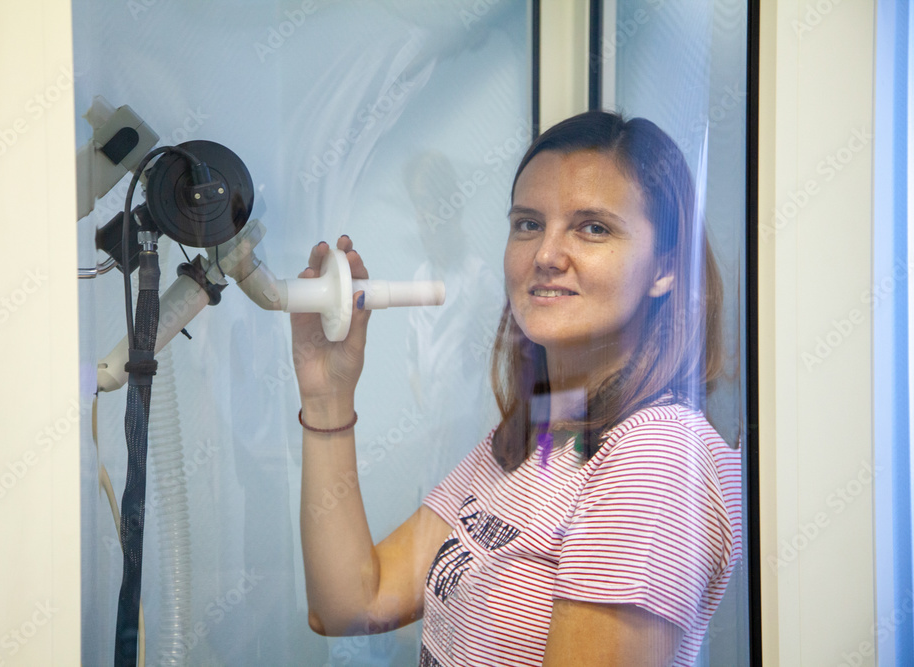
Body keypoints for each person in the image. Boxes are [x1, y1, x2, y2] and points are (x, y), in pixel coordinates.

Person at [290, 110, 742, 667]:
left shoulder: (656, 458)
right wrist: (326, 396)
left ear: (664, 270)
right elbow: (351, 603)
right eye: (528, 224)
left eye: (592, 227)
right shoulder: (540, 436)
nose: (546, 255)